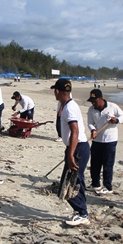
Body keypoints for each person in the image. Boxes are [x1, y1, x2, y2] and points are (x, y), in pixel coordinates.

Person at [51, 78, 90, 226]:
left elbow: (75, 131)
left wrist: (70, 154)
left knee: (68, 183)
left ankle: (82, 212)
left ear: (57, 91)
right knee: (77, 180)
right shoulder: (66, 105)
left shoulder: (69, 108)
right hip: (77, 147)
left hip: (78, 148)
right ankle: (81, 211)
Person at [86, 89, 123, 195]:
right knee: (95, 163)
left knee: (107, 164)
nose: (93, 103)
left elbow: (122, 116)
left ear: (101, 99)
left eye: (95, 101)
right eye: (92, 101)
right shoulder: (91, 110)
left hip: (110, 140)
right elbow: (90, 123)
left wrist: (116, 120)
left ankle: (108, 187)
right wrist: (93, 130)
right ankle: (95, 184)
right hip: (97, 140)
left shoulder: (112, 106)